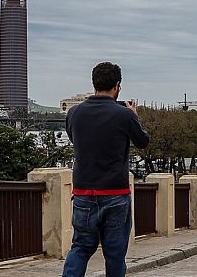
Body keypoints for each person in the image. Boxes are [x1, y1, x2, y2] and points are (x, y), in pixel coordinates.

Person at [63, 62, 150, 277]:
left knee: (81, 247)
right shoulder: (124, 115)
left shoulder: (74, 113)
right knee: (115, 253)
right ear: (117, 86)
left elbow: (75, 140)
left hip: (83, 192)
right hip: (115, 194)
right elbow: (143, 142)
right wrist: (134, 116)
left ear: (94, 83)